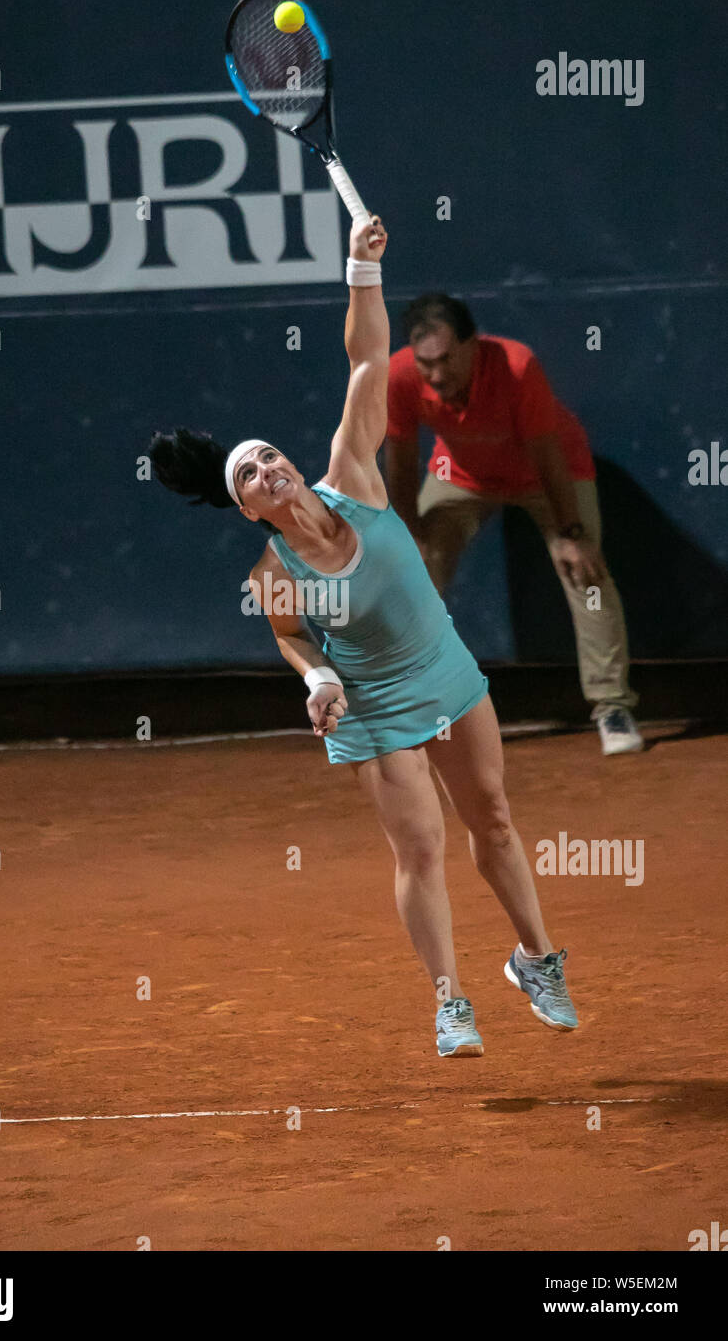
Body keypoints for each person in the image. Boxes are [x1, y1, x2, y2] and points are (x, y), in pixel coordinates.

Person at [151, 213, 578, 1059]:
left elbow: (364, 361)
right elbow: (292, 639)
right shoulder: (272, 572)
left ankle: (536, 959)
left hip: (446, 672)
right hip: (373, 706)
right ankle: (451, 1001)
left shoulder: (352, 472)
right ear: (247, 507)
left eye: (268, 455)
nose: (268, 468)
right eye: (250, 476)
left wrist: (360, 267)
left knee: (490, 817)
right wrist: (316, 680)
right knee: (420, 848)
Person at [383, 293, 643, 756]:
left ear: (472, 345)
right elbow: (400, 463)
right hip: (460, 474)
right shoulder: (399, 376)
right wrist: (408, 534)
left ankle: (612, 706)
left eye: (446, 360)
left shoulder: (517, 366)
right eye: (427, 364)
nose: (437, 375)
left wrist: (572, 534)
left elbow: (547, 453)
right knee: (413, 574)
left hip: (548, 474)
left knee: (586, 576)